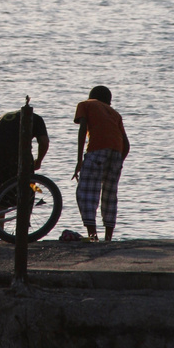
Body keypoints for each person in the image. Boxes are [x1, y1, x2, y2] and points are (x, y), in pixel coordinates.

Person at [72, 85, 130, 242]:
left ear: (91, 96)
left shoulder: (86, 104)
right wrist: (118, 162)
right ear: (108, 101)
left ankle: (93, 237)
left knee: (87, 192)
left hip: (97, 151)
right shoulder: (115, 114)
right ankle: (108, 238)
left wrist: (79, 161)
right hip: (116, 153)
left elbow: (83, 128)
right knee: (110, 195)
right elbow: (127, 144)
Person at [0, 108, 49, 207]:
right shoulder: (36, 119)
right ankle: (25, 219)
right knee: (27, 191)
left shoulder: (3, 117)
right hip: (16, 156)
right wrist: (38, 161)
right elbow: (44, 142)